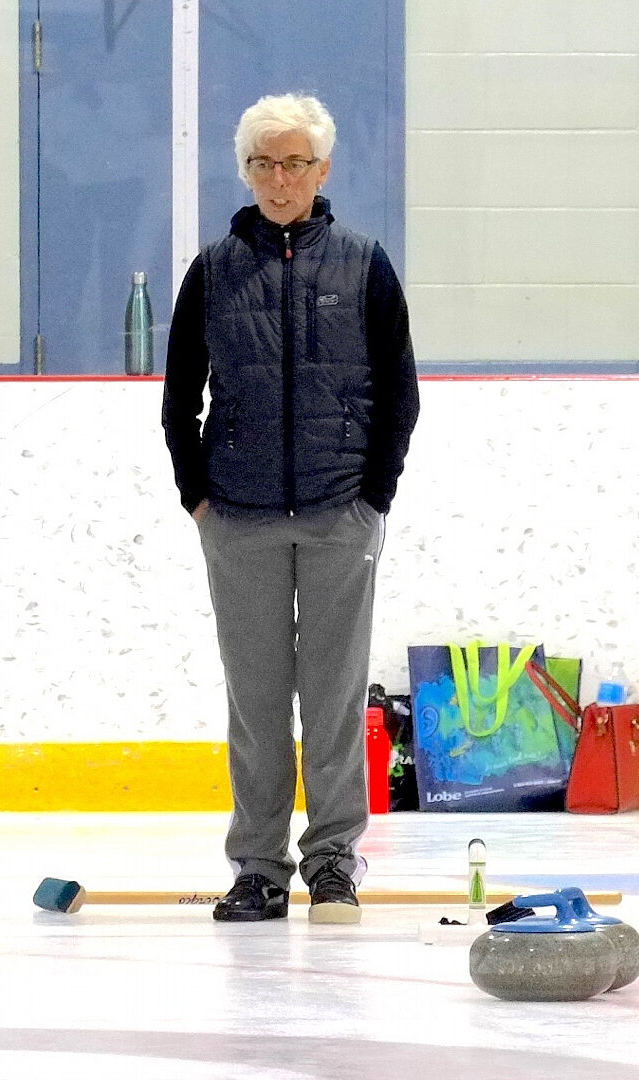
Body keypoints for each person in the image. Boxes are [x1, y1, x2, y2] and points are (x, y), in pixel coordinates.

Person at [161, 94, 419, 924]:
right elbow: (178, 403)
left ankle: (335, 861)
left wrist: (373, 495)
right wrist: (197, 497)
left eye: (296, 162)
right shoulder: (211, 271)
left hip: (341, 512)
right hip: (237, 518)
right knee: (258, 700)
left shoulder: (365, 264)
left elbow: (399, 396)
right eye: (265, 163)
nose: (281, 179)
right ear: (245, 171)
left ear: (323, 170)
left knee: (336, 695)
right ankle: (260, 867)